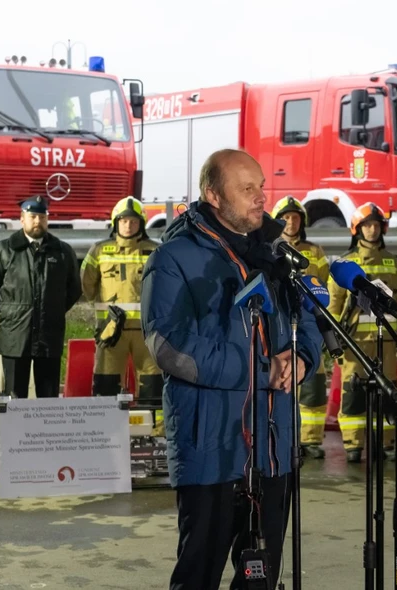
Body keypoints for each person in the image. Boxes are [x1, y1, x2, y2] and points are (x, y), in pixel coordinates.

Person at [141, 149, 322, 590]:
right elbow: (171, 348)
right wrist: (264, 370)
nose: (262, 197)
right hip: (212, 452)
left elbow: (312, 320)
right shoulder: (172, 259)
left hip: (274, 450)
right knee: (198, 575)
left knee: (261, 577)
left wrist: (300, 359)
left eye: (262, 186)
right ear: (213, 196)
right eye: (247, 189)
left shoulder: (278, 256)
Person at [327, 203, 397, 463]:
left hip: (385, 341)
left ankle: (386, 441)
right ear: (357, 229)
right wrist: (333, 341)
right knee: (353, 394)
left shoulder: (392, 263)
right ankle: (354, 444)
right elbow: (333, 305)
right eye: (367, 225)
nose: (373, 230)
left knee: (387, 393)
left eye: (377, 225)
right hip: (353, 343)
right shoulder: (345, 263)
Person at [0, 196, 81, 398]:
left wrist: (52, 310)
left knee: (48, 397)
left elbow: (74, 290)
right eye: (33, 217)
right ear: (22, 219)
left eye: (42, 217)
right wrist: (8, 314)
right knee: (14, 397)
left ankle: (46, 431)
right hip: (15, 335)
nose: (37, 222)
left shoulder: (61, 251)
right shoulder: (4, 250)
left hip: (49, 336)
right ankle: (15, 431)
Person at [82, 197, 163, 425]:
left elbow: (166, 287)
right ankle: (105, 432)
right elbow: (87, 285)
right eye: (124, 221)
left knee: (152, 383)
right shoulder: (98, 250)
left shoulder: (155, 251)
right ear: (115, 223)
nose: (128, 225)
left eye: (134, 221)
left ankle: (154, 434)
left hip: (147, 332)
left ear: (142, 224)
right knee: (106, 382)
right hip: (111, 331)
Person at [271, 195, 330, 459]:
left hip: (309, 326)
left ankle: (311, 440)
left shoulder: (315, 251)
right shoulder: (270, 249)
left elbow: (326, 287)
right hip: (282, 326)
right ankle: (287, 438)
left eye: (295, 217)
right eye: (285, 217)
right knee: (284, 382)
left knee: (313, 386)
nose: (291, 222)